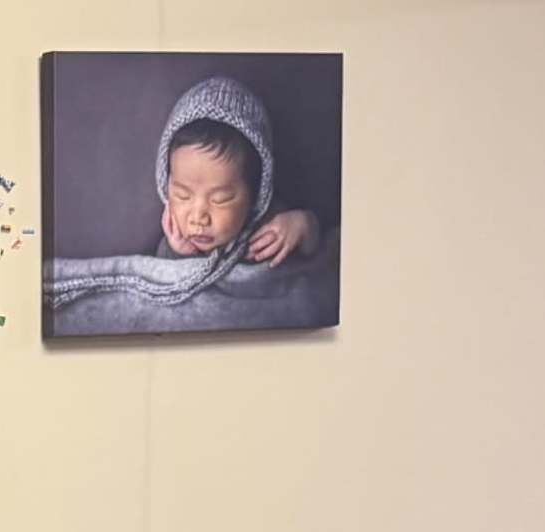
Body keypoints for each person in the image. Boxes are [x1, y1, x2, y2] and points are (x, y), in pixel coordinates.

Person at [48, 74, 333, 336]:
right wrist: (177, 252)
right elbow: (169, 289)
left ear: (256, 192)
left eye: (221, 198)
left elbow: (312, 256)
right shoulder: (177, 237)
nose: (198, 216)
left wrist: (303, 224)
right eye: (183, 195)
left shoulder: (271, 221)